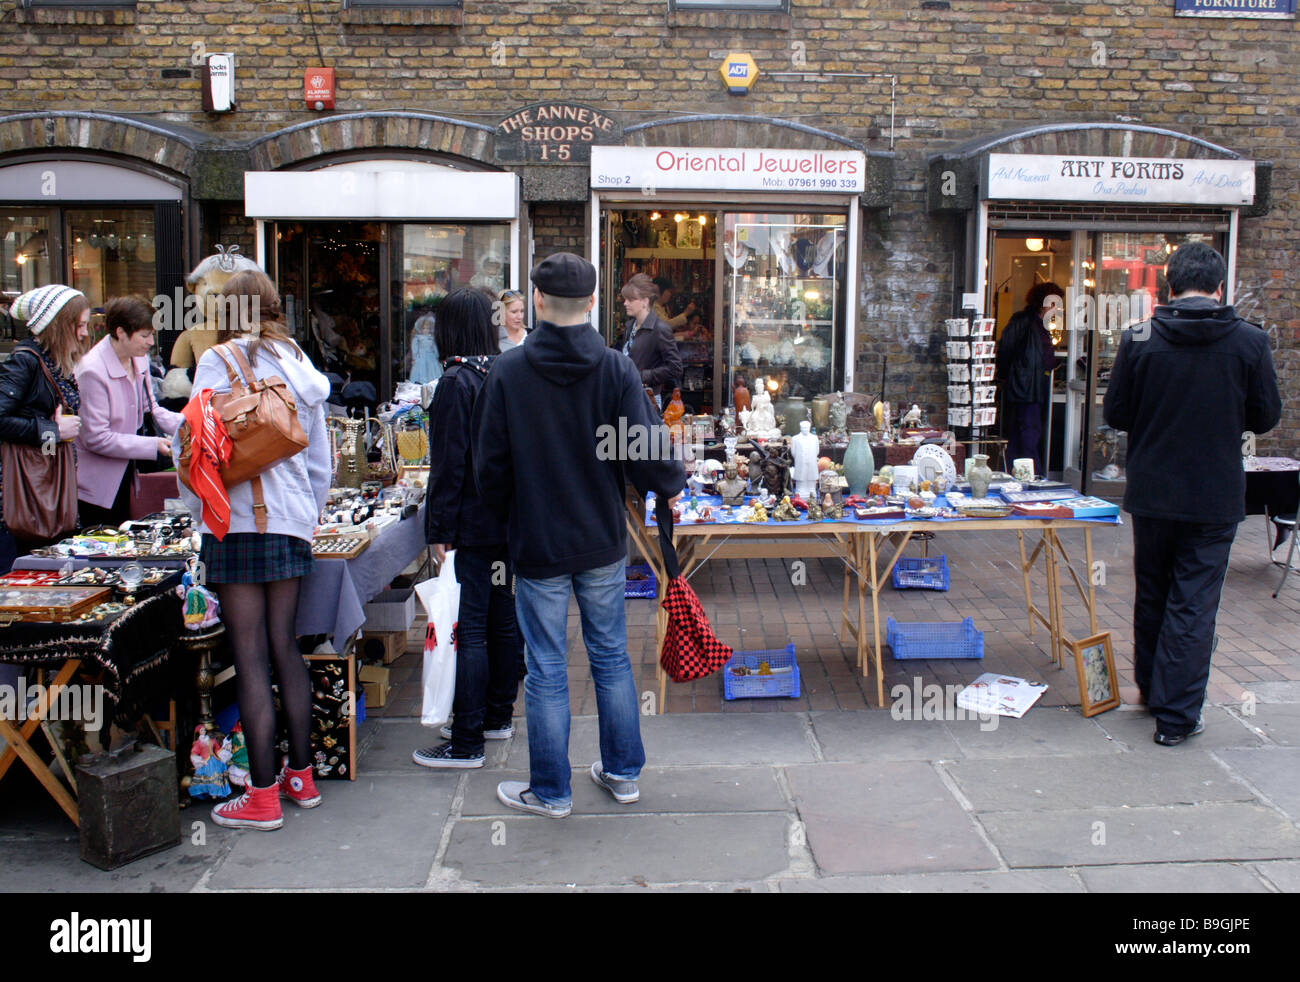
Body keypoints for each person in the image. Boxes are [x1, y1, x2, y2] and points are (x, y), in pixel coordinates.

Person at [474, 253, 685, 818]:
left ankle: (551, 789)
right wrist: (670, 481)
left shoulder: (509, 372)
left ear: (538, 302)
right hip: (598, 536)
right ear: (592, 303)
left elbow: (488, 469)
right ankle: (621, 772)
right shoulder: (615, 369)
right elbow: (647, 451)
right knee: (611, 656)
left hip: (538, 541)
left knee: (545, 665)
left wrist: (500, 529)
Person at [1103, 241, 1281, 747]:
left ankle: (1155, 693)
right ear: (1220, 287)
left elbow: (1116, 412)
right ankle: (1177, 715)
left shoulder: (1139, 337)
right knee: (1194, 602)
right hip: (1214, 492)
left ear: (1168, 284)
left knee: (1155, 591)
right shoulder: (1249, 341)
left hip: (1155, 489)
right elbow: (1266, 416)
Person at [175, 269, 333, 829]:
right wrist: (308, 515)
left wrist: (199, 516)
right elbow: (320, 458)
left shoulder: (220, 362)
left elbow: (192, 446)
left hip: (238, 522)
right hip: (290, 520)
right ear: (272, 305)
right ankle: (302, 777)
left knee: (249, 656)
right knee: (285, 647)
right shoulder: (298, 361)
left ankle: (262, 796)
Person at [412, 288, 523, 769]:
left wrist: (439, 528)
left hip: (473, 526)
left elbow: (448, 467)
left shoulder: (456, 381)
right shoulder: (501, 371)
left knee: (472, 629)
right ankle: (497, 716)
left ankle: (467, 739)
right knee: (500, 619)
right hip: (504, 522)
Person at [0, 285, 89, 573]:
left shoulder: (53, 362)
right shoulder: (26, 360)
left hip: (48, 484)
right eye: (80, 325)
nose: (85, 333)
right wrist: (52, 430)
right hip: (26, 491)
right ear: (61, 325)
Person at [74, 296, 184, 528]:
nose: (150, 342)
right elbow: (96, 438)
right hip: (98, 484)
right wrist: (153, 445)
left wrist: (190, 424)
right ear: (121, 332)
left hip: (128, 474)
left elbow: (151, 409)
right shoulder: (91, 370)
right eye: (144, 335)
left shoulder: (139, 359)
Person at [996, 282, 1062, 476]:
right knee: (1028, 434)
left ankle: (1017, 475)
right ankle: (1031, 476)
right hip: (1023, 388)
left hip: (1030, 387)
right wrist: (1008, 376)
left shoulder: (1039, 325)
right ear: (1043, 304)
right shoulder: (1023, 321)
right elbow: (1006, 350)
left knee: (1022, 435)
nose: (1056, 308)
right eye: (1053, 303)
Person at [619, 272, 682, 408]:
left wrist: (643, 375)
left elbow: (675, 367)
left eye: (630, 299)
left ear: (645, 301)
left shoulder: (660, 329)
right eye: (625, 299)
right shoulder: (630, 327)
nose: (625, 303)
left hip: (647, 399)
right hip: (627, 395)